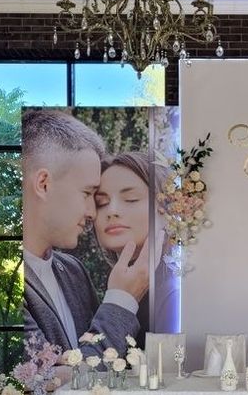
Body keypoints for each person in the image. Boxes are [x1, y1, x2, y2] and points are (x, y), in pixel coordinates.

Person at [22, 109, 149, 359]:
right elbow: (43, 380)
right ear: (43, 184)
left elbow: (93, 360)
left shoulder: (73, 271)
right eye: (88, 193)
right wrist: (121, 300)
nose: (93, 212)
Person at [93, 152, 178, 346]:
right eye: (101, 203)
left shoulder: (175, 296)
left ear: (165, 208)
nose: (112, 211)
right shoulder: (118, 287)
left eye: (130, 199)